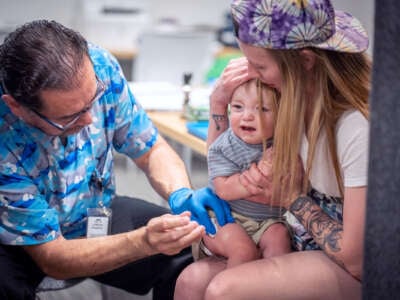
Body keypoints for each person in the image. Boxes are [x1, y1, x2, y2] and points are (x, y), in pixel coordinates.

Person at [0, 20, 233, 300]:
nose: (89, 121)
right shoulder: (5, 140)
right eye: (69, 117)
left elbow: (151, 150)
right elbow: (53, 257)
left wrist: (180, 193)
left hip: (94, 212)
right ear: (18, 107)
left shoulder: (99, 67)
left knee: (190, 247)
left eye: (92, 101)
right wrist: (144, 242)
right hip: (24, 242)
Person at [174, 0, 371, 299]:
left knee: (223, 290)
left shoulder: (355, 126)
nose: (249, 73)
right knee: (190, 281)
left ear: (305, 62)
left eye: (260, 66)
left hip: (347, 261)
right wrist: (219, 102)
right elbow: (227, 155)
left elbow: (357, 260)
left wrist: (291, 197)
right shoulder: (290, 100)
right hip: (295, 234)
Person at [201, 78, 291, 268]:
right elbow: (223, 189)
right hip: (227, 218)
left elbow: (291, 189)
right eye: (238, 107)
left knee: (280, 241)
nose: (247, 116)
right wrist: (260, 173)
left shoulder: (285, 145)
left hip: (268, 220)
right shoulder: (224, 146)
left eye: (262, 109)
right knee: (243, 252)